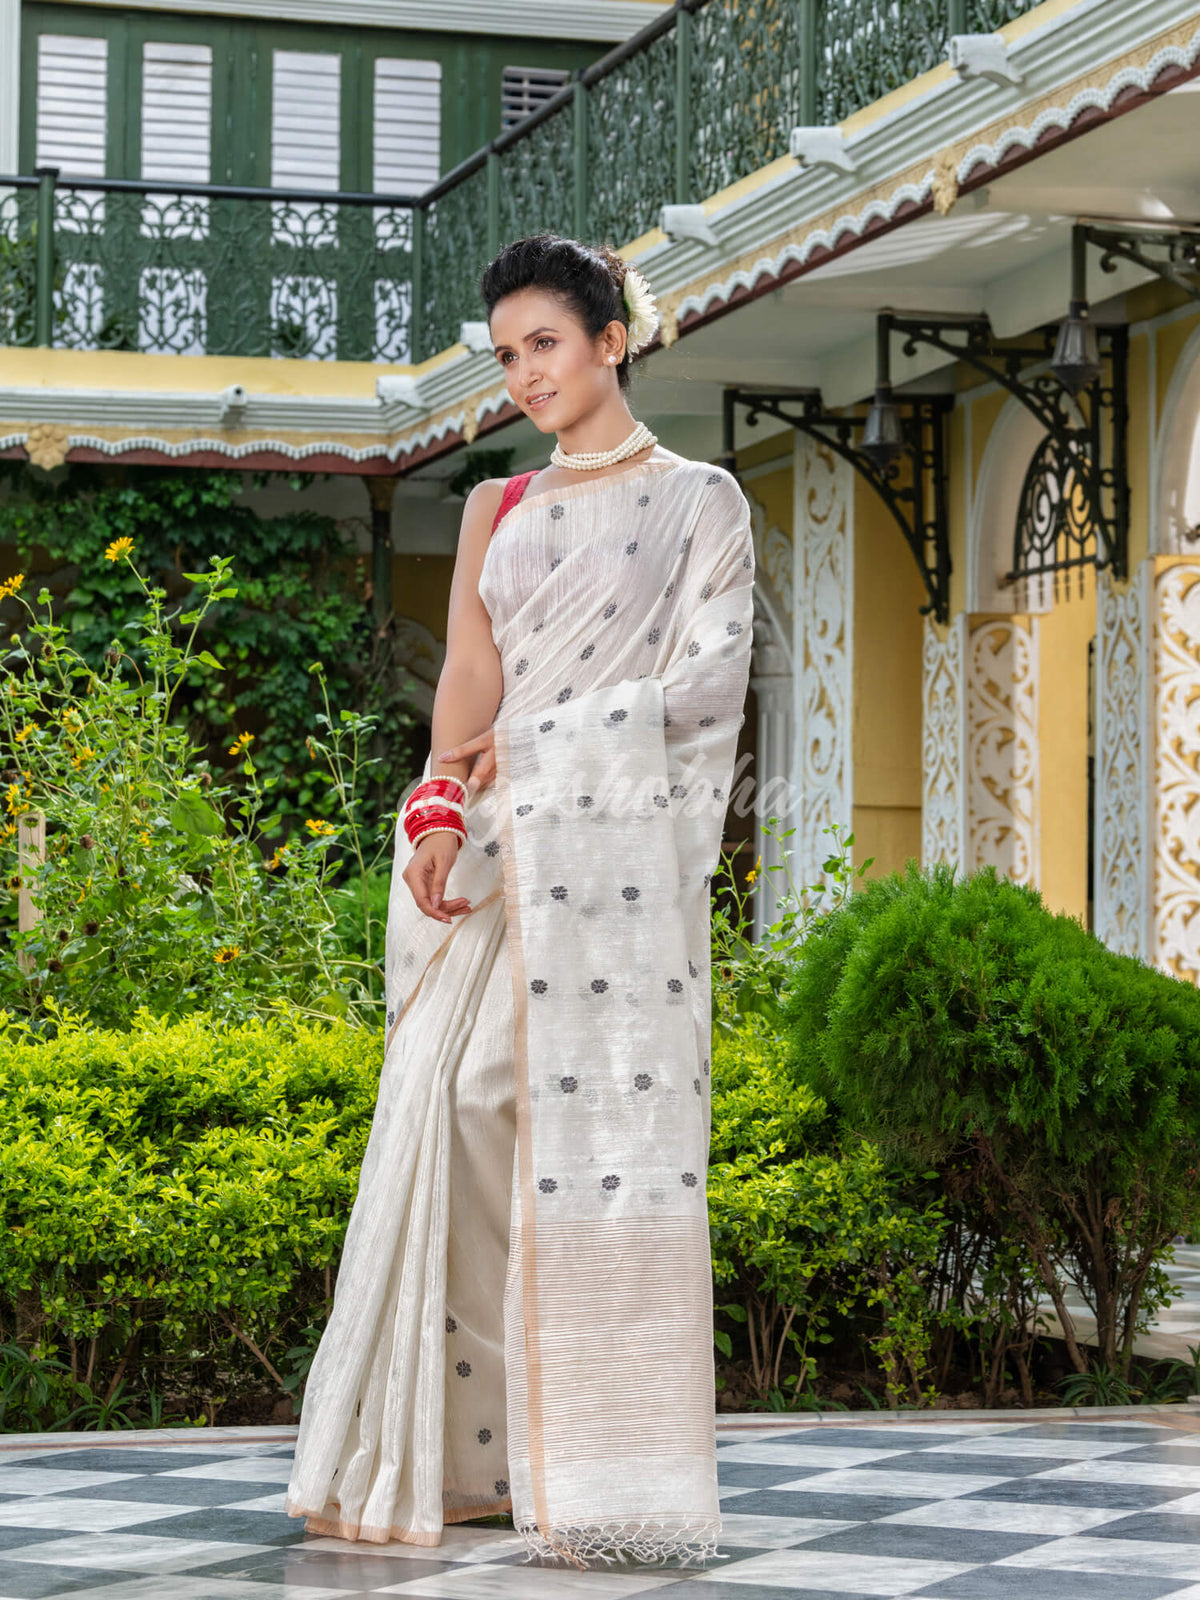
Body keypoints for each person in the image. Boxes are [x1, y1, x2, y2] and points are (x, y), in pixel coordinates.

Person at [285, 232, 755, 1570]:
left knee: (582, 1146)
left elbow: (709, 680)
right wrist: (437, 804)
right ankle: (464, 1455)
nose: (526, 374)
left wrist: (546, 746)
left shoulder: (700, 501)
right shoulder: (498, 506)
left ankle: (595, 1462)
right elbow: (470, 681)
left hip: (608, 872)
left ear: (613, 339)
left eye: (545, 343)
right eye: (506, 356)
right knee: (455, 1111)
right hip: (496, 855)